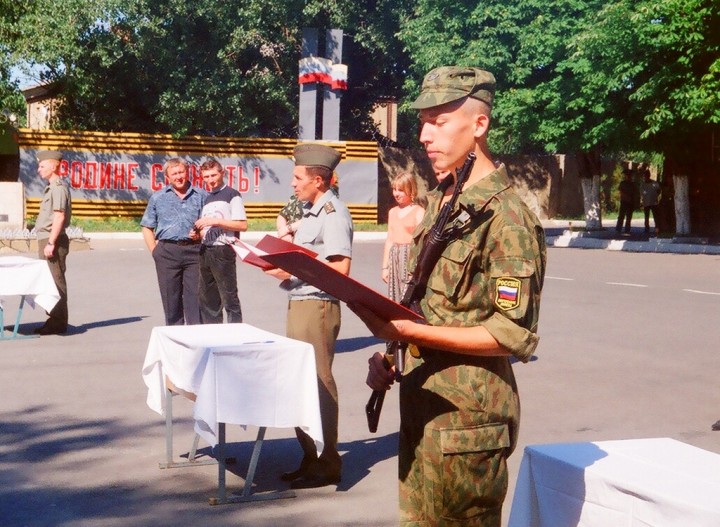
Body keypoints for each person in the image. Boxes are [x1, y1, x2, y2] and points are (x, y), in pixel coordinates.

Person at [350, 66, 546, 526]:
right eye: (423, 122)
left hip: (468, 421)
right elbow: (427, 301)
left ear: (479, 125)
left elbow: (511, 333)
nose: (424, 134)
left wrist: (411, 331)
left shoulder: (506, 217)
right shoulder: (444, 202)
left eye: (439, 121)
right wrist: (394, 352)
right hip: (425, 403)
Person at [266, 143, 353, 489]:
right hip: (301, 301)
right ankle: (310, 457)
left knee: (317, 381)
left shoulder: (333, 213)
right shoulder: (310, 211)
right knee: (299, 381)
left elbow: (340, 267)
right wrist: (284, 269)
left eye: (298, 177)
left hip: (317, 306)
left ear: (318, 180)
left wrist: (294, 271)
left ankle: (327, 463)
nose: (293, 183)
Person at [141, 158, 205, 326]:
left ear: (187, 172)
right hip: (167, 252)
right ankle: (175, 339)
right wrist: (155, 252)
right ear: (167, 177)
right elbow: (147, 227)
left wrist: (201, 236)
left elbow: (210, 224)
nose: (179, 176)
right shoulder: (158, 197)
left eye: (181, 172)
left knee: (196, 298)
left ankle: (196, 339)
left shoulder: (202, 195)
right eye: (174, 173)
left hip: (195, 252)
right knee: (171, 299)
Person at [194, 158, 248, 324]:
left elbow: (242, 225)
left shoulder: (232, 194)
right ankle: (214, 334)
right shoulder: (207, 197)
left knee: (229, 296)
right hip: (206, 249)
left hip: (223, 250)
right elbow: (206, 228)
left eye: (213, 175)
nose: (210, 180)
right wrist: (197, 234)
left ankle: (235, 333)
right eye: (206, 177)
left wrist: (214, 222)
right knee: (208, 298)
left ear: (222, 173)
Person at [34, 150, 72, 335]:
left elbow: (59, 216)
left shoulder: (58, 188)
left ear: (53, 165)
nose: (38, 169)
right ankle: (53, 319)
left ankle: (58, 322)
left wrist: (51, 243)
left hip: (52, 241)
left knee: (55, 281)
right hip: (47, 239)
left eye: (42, 166)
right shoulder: (51, 187)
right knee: (49, 281)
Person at [381, 172, 425, 302]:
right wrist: (385, 267)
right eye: (394, 190)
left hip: (409, 255)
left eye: (400, 190)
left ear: (411, 190)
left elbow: (421, 241)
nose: (396, 194)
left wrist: (416, 267)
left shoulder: (418, 211)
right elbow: (390, 239)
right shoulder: (393, 212)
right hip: (395, 255)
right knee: (395, 295)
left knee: (408, 294)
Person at [616, 168, 638, 234]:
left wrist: (634, 201)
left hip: (631, 202)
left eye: (630, 175)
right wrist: (627, 197)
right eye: (627, 175)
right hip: (624, 201)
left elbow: (635, 193)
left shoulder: (633, 184)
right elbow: (621, 192)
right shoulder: (622, 183)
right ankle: (618, 228)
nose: (629, 176)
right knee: (621, 216)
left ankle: (627, 229)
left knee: (629, 216)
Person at [640, 170, 661, 235]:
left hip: (654, 202)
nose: (646, 177)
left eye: (647, 175)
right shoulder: (643, 185)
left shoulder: (654, 183)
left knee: (656, 216)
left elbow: (659, 190)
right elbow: (642, 193)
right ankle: (646, 228)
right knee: (646, 216)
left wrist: (655, 195)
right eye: (645, 176)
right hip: (646, 203)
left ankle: (657, 228)